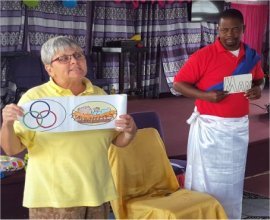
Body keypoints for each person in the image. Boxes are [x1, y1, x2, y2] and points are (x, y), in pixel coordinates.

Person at [1, 36, 137, 219]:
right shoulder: (34, 99)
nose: (74, 61)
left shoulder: (100, 96)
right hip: (54, 198)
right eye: (63, 58)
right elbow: (12, 149)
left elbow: (118, 141)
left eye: (78, 55)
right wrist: (7, 124)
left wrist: (129, 131)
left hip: (97, 192)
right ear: (49, 68)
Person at [173, 9, 264, 219]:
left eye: (235, 29)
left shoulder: (250, 55)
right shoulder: (203, 56)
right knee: (207, 178)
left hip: (238, 128)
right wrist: (205, 96)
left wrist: (258, 89)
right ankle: (204, 214)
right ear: (218, 29)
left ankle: (229, 215)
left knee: (232, 178)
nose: (229, 34)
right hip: (210, 128)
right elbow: (179, 84)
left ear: (244, 29)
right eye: (224, 29)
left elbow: (258, 79)